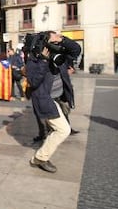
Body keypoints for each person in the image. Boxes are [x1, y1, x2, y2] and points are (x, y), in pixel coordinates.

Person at [26, 31, 81, 173]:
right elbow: (33, 81)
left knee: (58, 129)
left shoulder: (60, 54)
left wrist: (62, 39)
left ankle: (42, 153)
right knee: (63, 130)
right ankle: (40, 158)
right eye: (54, 42)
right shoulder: (34, 59)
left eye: (58, 41)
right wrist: (44, 61)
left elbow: (76, 49)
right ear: (45, 44)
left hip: (60, 97)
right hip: (46, 100)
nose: (57, 44)